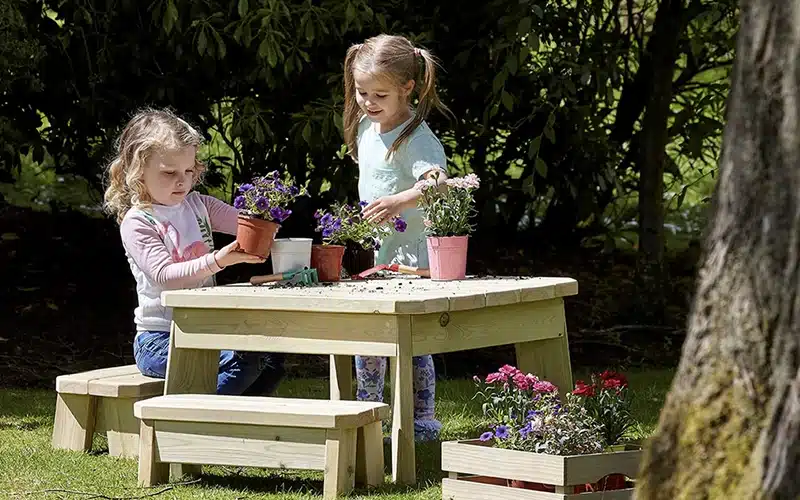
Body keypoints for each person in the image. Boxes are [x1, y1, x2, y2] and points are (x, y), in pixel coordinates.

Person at [103, 107, 285, 395]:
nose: (182, 181)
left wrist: (268, 221)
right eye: (169, 173)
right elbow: (166, 277)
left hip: (204, 331)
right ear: (137, 172)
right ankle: (197, 422)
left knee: (271, 357)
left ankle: (238, 424)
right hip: (160, 340)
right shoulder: (138, 221)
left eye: (188, 171)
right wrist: (218, 261)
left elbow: (249, 226)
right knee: (243, 360)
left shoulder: (199, 205)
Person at [343, 34, 454, 441]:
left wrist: (398, 201)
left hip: (415, 260)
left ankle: (422, 421)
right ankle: (368, 414)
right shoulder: (368, 130)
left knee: (412, 344)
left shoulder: (416, 137)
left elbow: (439, 183)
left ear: (407, 88)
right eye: (362, 92)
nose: (369, 102)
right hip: (382, 258)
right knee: (369, 337)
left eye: (380, 94)